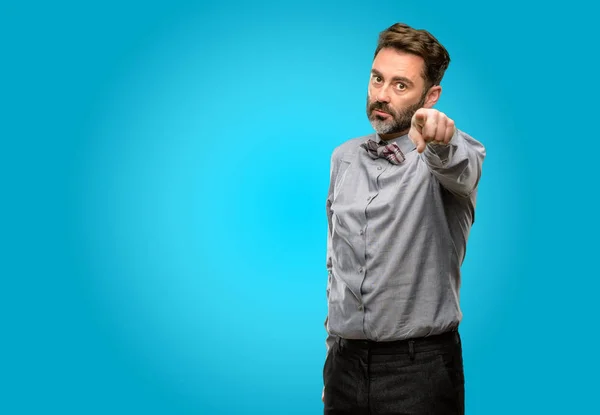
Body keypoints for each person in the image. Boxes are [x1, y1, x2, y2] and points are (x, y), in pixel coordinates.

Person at [322, 22, 486, 414]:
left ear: (430, 96)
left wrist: (441, 138)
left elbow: (460, 166)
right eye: (377, 79)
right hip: (344, 366)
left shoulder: (447, 154)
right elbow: (335, 267)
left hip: (420, 371)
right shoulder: (343, 157)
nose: (381, 94)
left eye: (400, 85)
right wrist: (332, 362)